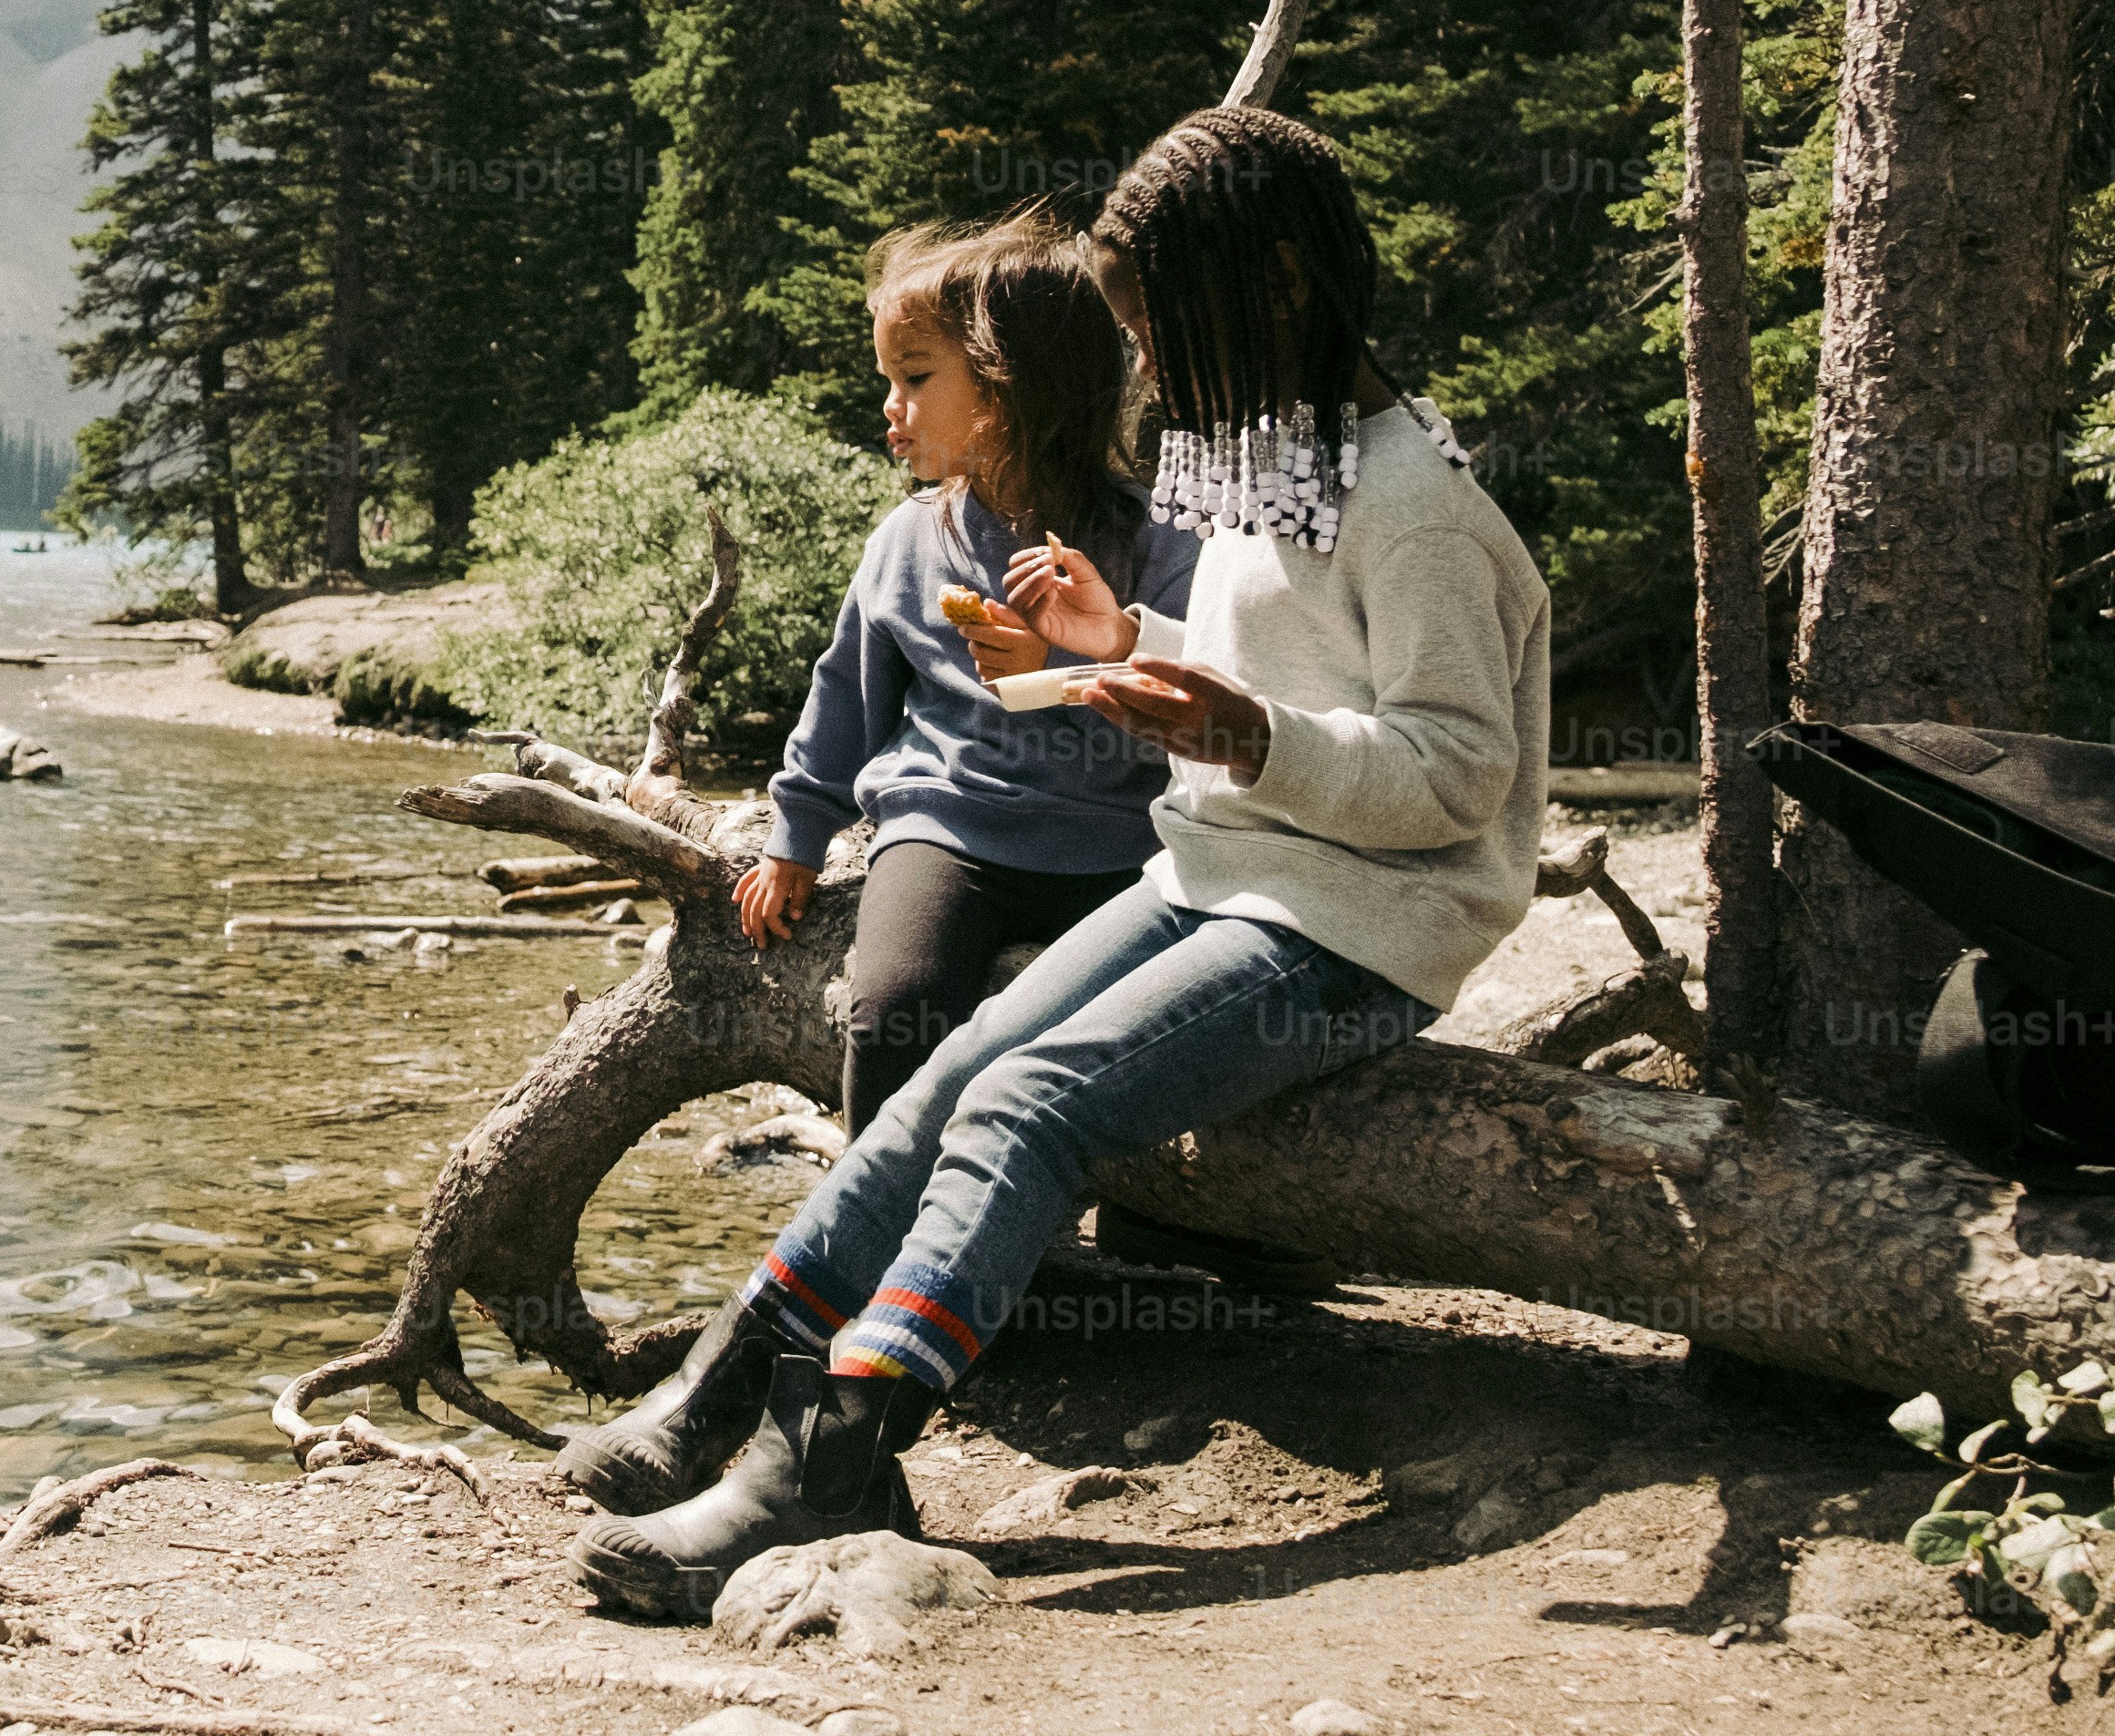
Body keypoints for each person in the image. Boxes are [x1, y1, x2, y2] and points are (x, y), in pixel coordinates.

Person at [565, 104, 1552, 1618]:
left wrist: (1246, 733)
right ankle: (726, 1386)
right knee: (946, 1077)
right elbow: (1290, 676)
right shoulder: (1288, 461)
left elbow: (1456, 779)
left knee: (1029, 1105)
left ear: (1277, 288)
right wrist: (1130, 639)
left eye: (1161, 333)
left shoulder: (1415, 509)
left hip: (1363, 919)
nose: (1145, 370)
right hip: (1224, 872)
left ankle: (835, 1459)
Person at [729, 219, 1196, 1146]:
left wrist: (1056, 668)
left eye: (915, 377)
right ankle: (875, 1211)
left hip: (1121, 848)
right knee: (893, 1007)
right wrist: (797, 833)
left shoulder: (1159, 541)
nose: (891, 407)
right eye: (887, 380)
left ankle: (1118, 1211)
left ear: (1009, 386)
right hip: (949, 832)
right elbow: (846, 696)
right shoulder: (907, 540)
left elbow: (1187, 719)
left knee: (1139, 1046)